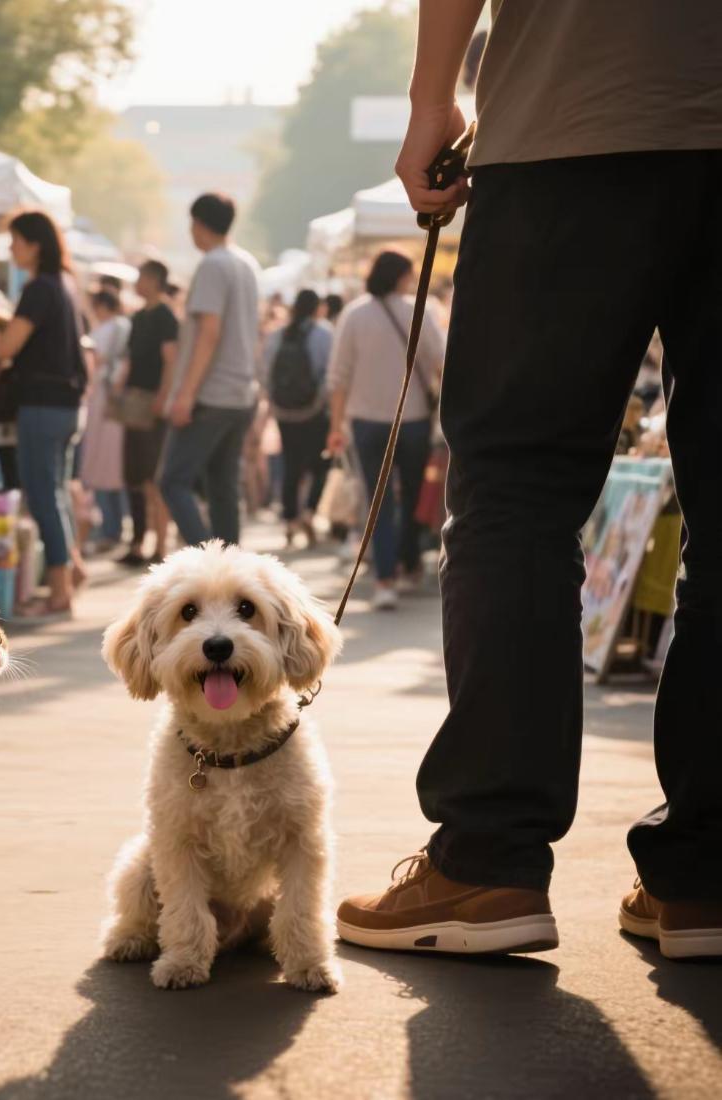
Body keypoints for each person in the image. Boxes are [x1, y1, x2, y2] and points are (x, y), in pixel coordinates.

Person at [336, 0, 722, 959]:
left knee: (513, 494)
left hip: (570, 120)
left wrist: (435, 98)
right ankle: (710, 874)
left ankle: (488, 862)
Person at [0, 209, 86, 619]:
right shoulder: (63, 285)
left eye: (15, 241)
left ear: (34, 244)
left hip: (42, 405)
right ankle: (70, 572)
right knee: (55, 493)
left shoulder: (39, 287)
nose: (11, 248)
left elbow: (7, 349)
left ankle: (59, 591)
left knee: (43, 496)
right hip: (66, 406)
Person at [327, 250, 443, 610]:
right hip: (413, 421)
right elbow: (441, 362)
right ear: (401, 277)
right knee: (410, 495)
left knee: (377, 501)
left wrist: (335, 424)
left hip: (366, 422)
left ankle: (384, 579)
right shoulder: (417, 310)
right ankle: (408, 564)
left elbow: (338, 375)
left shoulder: (354, 314)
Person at [159, 193, 261, 547]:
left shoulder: (213, 265)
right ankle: (231, 570)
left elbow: (209, 332)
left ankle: (207, 563)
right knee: (222, 485)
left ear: (200, 224)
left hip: (212, 392)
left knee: (173, 481)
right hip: (240, 392)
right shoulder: (246, 263)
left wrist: (185, 394)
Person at [117, 259, 178, 566]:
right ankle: (139, 540)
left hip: (154, 403)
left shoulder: (166, 315)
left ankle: (161, 544)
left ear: (154, 279)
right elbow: (130, 358)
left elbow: (171, 359)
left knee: (154, 477)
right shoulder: (139, 317)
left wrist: (163, 397)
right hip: (135, 401)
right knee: (134, 476)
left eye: (141, 277)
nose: (137, 282)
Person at [262, 288, 333, 548]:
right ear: (317, 308)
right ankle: (309, 511)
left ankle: (290, 520)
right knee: (321, 465)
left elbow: (266, 373)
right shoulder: (323, 334)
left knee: (291, 466)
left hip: (285, 412)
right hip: (314, 412)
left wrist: (273, 402)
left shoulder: (277, 335)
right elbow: (330, 375)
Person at [81, 290, 131, 551]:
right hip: (110, 406)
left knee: (102, 467)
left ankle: (111, 528)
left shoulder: (107, 330)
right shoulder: (122, 328)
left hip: (104, 406)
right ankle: (114, 525)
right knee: (110, 468)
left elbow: (96, 361)